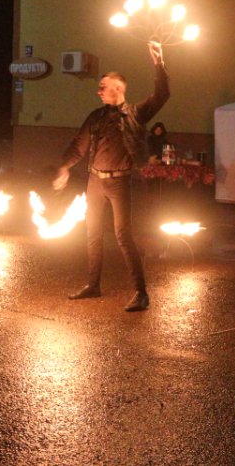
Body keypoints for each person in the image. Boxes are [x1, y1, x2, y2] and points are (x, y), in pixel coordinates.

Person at [52, 41, 169, 312]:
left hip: (119, 182)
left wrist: (159, 63)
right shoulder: (96, 116)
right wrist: (65, 166)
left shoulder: (135, 114)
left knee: (123, 236)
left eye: (103, 86)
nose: (99, 90)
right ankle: (93, 285)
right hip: (95, 181)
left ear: (118, 88)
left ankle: (141, 293)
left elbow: (162, 94)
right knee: (92, 233)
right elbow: (79, 144)